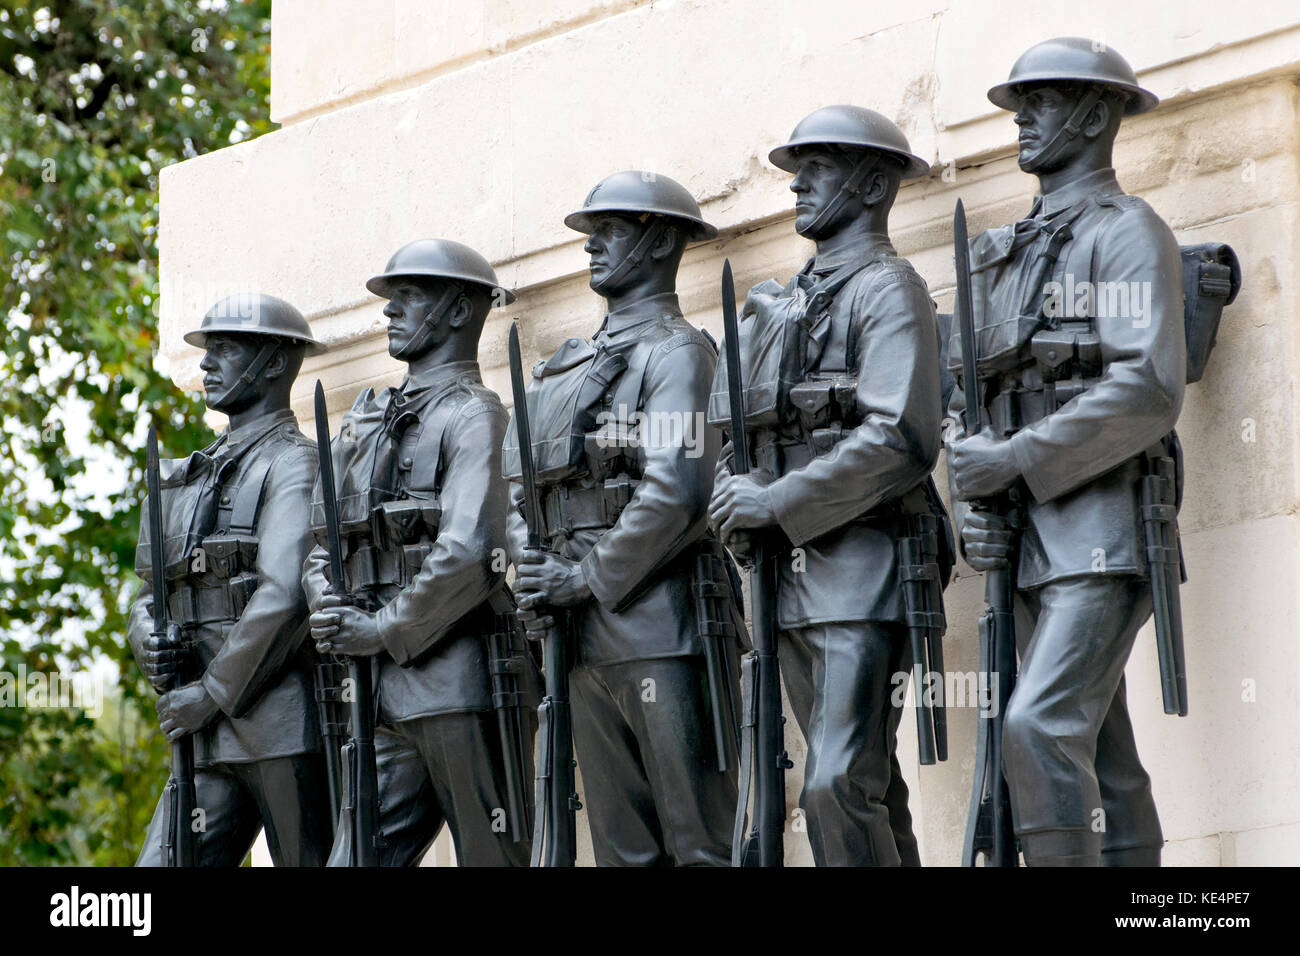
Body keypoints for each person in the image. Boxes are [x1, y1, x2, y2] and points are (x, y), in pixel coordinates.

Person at [946, 38, 1182, 866]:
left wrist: (1013, 460)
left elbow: (1147, 385)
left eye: (1040, 104)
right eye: (1021, 106)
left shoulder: (1125, 232)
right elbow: (960, 403)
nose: (1022, 122)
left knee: (1038, 723)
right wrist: (969, 500)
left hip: (1103, 527)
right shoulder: (1000, 252)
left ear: (1092, 113)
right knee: (1103, 758)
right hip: (1022, 538)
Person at [708, 105, 948, 866]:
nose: (797, 185)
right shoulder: (780, 306)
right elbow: (732, 433)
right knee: (863, 785)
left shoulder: (888, 289)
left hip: (867, 569)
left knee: (834, 783)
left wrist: (775, 502)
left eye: (820, 169)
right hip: (790, 579)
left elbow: (899, 438)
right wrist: (732, 501)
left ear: (874, 185)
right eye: (796, 170)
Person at [505, 171, 743, 866]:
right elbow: (516, 493)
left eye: (612, 230)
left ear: (662, 240)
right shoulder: (561, 372)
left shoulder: (678, 353)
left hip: (662, 628)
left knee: (700, 842)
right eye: (591, 231)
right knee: (621, 852)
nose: (592, 246)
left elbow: (677, 492)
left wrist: (580, 579)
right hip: (579, 639)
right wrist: (535, 570)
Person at [303, 239, 535, 866]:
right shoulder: (367, 421)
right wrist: (328, 607)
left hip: (461, 680)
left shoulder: (475, 414)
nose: (389, 311)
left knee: (492, 856)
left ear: (459, 312)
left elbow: (471, 551)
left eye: (409, 296)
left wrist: (377, 628)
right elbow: (324, 542)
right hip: (377, 689)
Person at [130, 292, 333, 866]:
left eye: (224, 350)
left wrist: (211, 694)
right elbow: (150, 595)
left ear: (272, 363)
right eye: (205, 350)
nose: (205, 364)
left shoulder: (295, 461)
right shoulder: (191, 473)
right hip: (201, 730)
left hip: (277, 726)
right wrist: (146, 639)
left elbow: (285, 595)